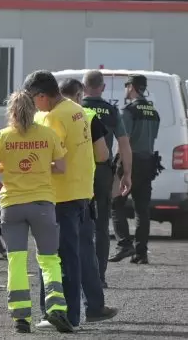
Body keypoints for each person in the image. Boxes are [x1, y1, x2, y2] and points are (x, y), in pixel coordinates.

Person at [23, 71, 113, 329]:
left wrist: (25, 167)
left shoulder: (52, 118)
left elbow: (51, 160)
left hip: (58, 195)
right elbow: (98, 154)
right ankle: (73, 313)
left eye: (33, 99)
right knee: (73, 256)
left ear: (42, 96)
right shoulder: (77, 109)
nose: (33, 105)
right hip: (80, 193)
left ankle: (61, 315)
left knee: (53, 258)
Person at [0, 90, 72, 334]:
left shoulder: (3, 136)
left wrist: (12, 165)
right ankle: (55, 307)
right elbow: (62, 167)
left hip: (12, 205)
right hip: (42, 203)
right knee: (49, 259)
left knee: (17, 260)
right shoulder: (48, 134)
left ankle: (21, 316)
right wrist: (41, 166)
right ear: (33, 110)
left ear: (11, 111)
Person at [58, 79, 118, 324]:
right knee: (84, 250)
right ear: (79, 95)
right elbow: (103, 154)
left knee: (54, 255)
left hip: (50, 194)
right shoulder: (87, 115)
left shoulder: (44, 117)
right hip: (81, 191)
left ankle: (55, 308)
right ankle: (93, 306)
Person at [82, 70, 133, 286]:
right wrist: (126, 174)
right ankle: (99, 277)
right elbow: (124, 144)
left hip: (78, 172)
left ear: (84, 87)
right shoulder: (112, 111)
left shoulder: (75, 110)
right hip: (103, 171)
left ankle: (80, 273)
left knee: (77, 222)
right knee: (102, 225)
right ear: (102, 87)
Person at [110, 74, 160, 265]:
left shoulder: (129, 111)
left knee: (116, 204)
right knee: (142, 209)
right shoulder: (153, 111)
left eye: (126, 86)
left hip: (130, 161)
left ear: (131, 87)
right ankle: (141, 253)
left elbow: (125, 141)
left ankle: (124, 244)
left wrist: (119, 165)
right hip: (148, 162)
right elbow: (152, 138)